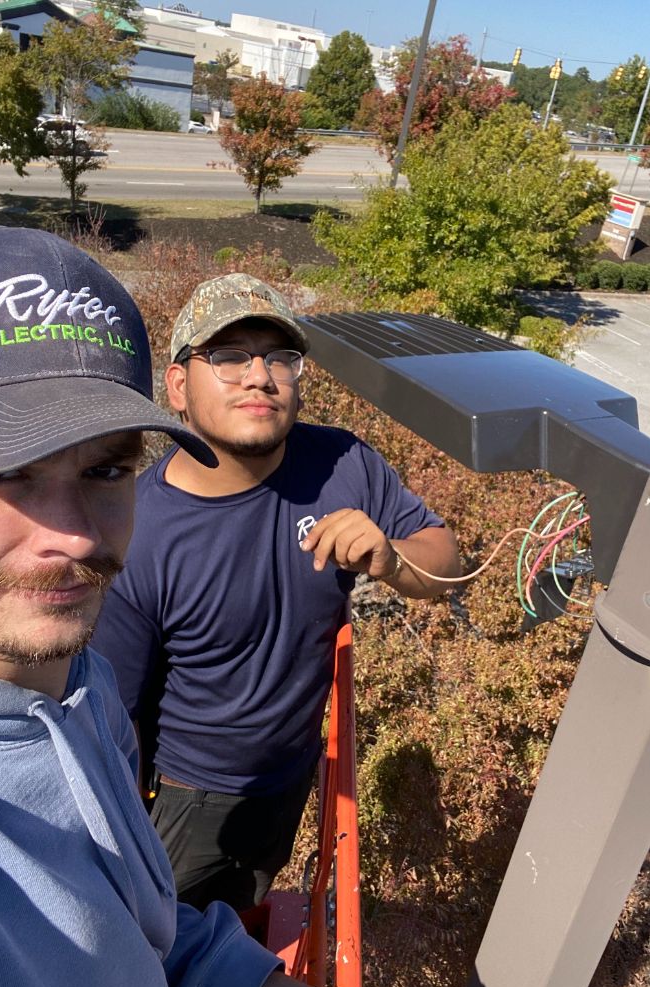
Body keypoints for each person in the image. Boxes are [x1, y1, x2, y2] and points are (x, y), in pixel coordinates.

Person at [0, 229, 331, 987]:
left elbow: (144, 930)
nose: (73, 534)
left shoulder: (83, 687)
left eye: (105, 468)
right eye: (7, 472)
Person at [92, 272, 461, 914]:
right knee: (165, 955)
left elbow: (445, 561)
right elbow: (115, 719)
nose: (259, 376)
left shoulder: (343, 463)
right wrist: (123, 853)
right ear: (178, 386)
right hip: (186, 800)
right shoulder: (139, 532)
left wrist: (391, 559)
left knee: (243, 918)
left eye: (279, 358)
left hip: (289, 780)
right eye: (229, 356)